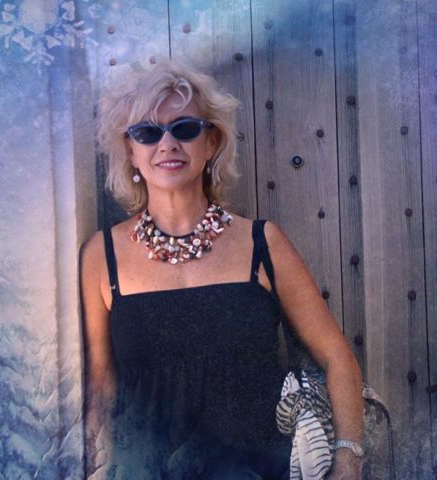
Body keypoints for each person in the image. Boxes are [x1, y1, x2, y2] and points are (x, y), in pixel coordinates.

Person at [79, 59, 364, 479]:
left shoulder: (263, 243)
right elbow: (101, 385)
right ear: (130, 151)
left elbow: (336, 356)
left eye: (185, 128)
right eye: (147, 133)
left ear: (211, 142)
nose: (167, 144)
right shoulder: (100, 255)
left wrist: (348, 460)